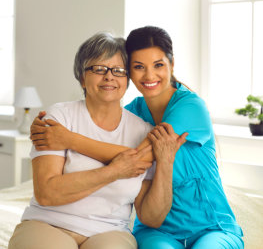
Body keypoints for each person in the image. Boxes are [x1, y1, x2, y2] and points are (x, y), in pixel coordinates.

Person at [30, 26, 243, 249]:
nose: (149, 75)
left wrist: (68, 139)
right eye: (139, 67)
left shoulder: (190, 107)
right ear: (129, 73)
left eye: (158, 65)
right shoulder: (134, 115)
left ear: (171, 65)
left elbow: (140, 159)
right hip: (157, 229)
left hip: (209, 226)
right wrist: (44, 129)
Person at [8, 32, 187, 249]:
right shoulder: (58, 118)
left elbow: (152, 217)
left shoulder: (143, 132)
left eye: (118, 70)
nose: (109, 77)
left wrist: (166, 162)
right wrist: (114, 171)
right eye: (99, 69)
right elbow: (47, 193)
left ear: (127, 80)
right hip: (48, 223)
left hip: (110, 231)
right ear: (82, 77)